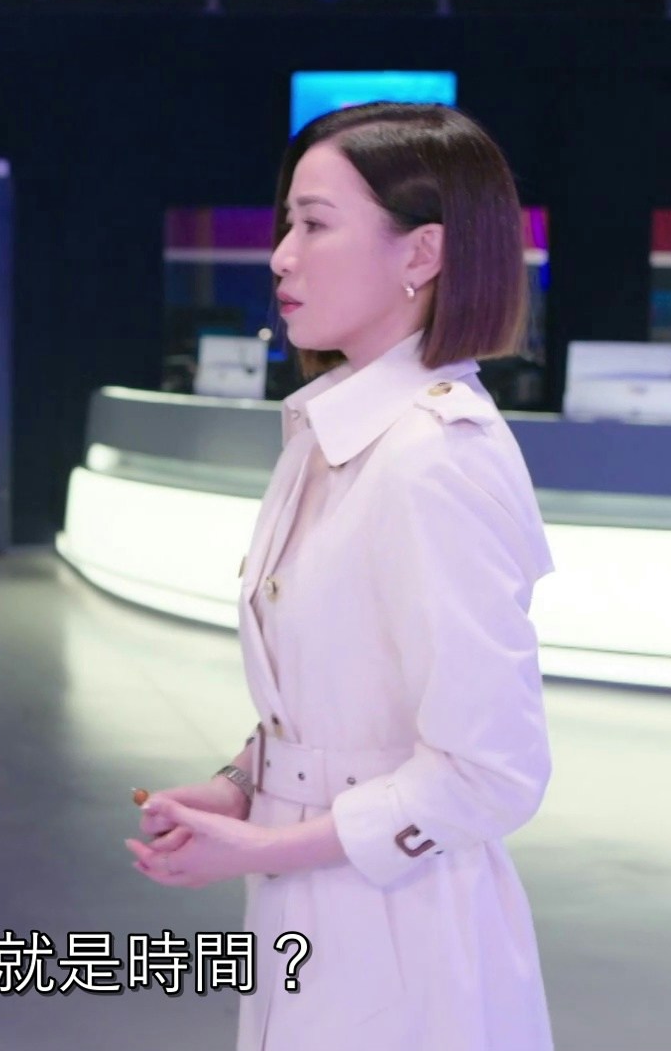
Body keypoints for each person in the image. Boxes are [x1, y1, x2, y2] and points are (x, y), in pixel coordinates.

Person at [126, 103, 557, 1050]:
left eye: (315, 225)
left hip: (405, 928)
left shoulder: (435, 458)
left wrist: (269, 844)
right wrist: (243, 785)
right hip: (312, 907)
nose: (281, 257)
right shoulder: (325, 433)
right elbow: (336, 693)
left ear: (423, 253)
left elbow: (492, 771)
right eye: (287, 224)